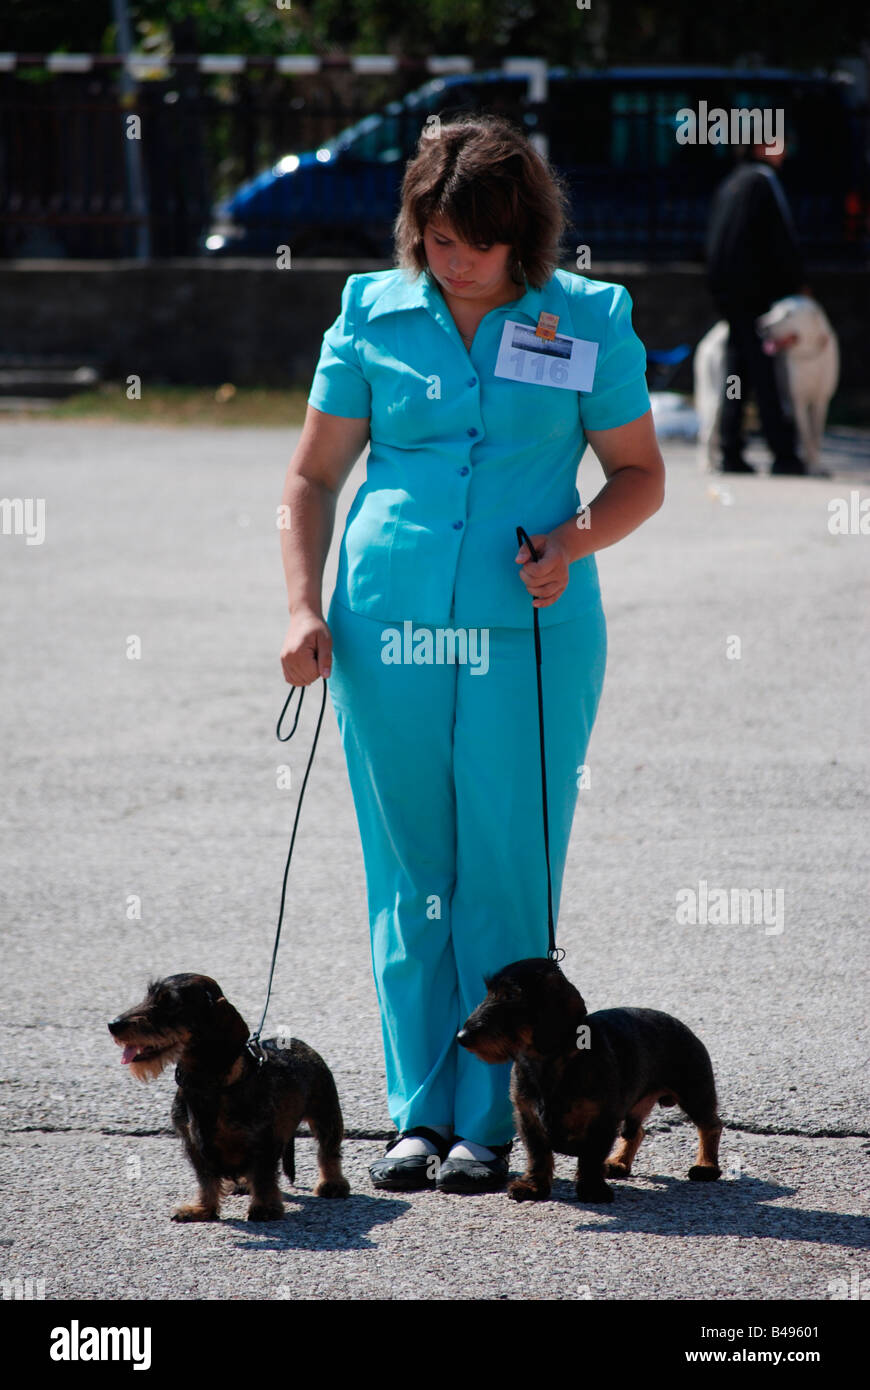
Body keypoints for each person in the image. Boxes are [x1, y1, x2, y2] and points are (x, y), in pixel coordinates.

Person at [278, 115, 665, 1194]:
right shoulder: (370, 310)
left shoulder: (588, 316)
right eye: (437, 239)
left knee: (507, 870)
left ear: (524, 237)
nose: (454, 262)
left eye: (477, 245)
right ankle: (417, 1110)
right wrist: (303, 608)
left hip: (531, 634)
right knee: (412, 876)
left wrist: (576, 541)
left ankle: (494, 1119)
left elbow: (638, 471)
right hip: (384, 630)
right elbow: (310, 480)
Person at [705, 137, 808, 474]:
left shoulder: (733, 181)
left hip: (731, 295)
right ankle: (782, 453)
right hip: (756, 298)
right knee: (765, 374)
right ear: (761, 147)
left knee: (739, 372)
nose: (786, 149)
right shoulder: (762, 182)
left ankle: (731, 449)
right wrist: (795, 285)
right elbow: (780, 240)